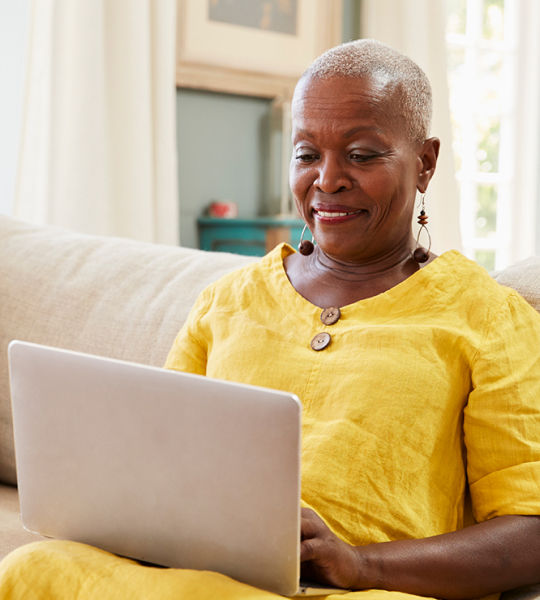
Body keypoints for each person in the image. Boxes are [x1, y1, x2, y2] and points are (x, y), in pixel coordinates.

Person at [1, 39, 540, 600]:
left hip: (364, 590)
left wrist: (361, 565)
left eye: (361, 155)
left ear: (425, 162)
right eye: (307, 154)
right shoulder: (228, 301)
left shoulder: (489, 318)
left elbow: (532, 531)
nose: (327, 180)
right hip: (205, 575)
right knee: (34, 566)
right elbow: (157, 463)